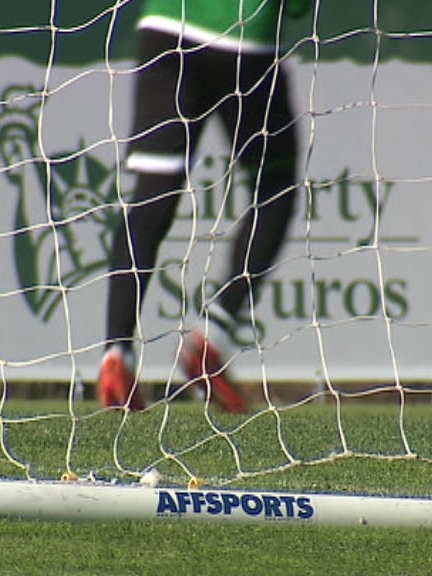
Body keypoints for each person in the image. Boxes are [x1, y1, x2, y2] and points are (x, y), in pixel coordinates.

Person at [98, 0, 309, 412]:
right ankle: (213, 338)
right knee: (276, 189)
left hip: (166, 32)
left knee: (152, 196)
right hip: (245, 40)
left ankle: (115, 356)